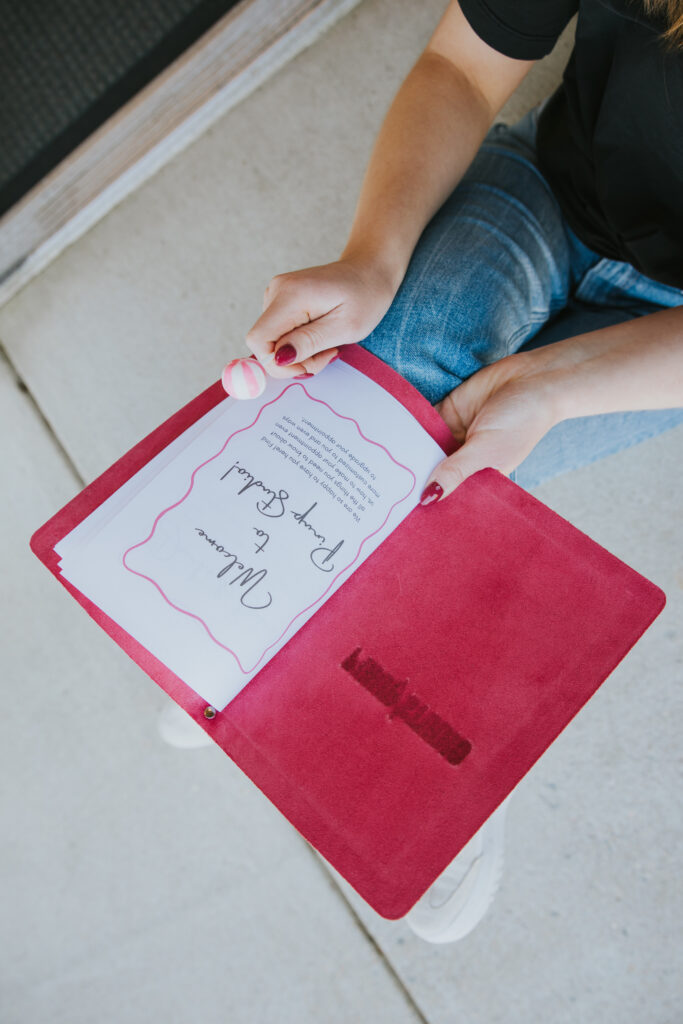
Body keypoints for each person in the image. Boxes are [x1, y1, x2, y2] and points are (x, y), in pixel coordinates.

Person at [238, 0, 683, 942]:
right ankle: (235, 638)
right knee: (389, 405)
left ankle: (433, 729)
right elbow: (461, 69)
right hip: (554, 183)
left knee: (460, 490)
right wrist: (371, 255)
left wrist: (557, 386)